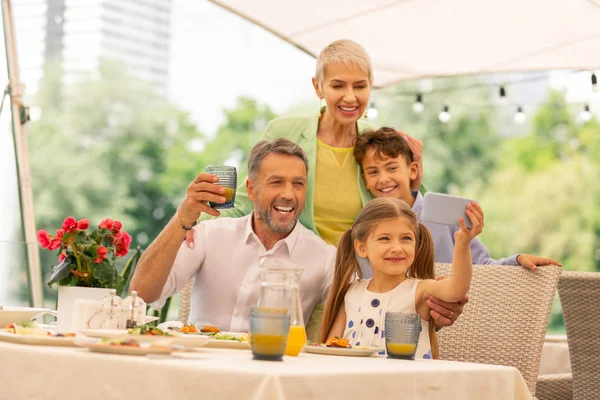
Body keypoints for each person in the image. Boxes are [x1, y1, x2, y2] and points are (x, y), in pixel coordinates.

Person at [185, 39, 462, 330]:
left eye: (359, 86)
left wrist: (414, 185)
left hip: (356, 282)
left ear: (371, 86)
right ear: (319, 87)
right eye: (338, 85)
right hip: (297, 272)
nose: (350, 97)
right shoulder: (284, 131)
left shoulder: (377, 141)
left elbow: (402, 215)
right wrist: (196, 227)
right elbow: (249, 197)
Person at [130, 138, 336, 333]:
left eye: (298, 184)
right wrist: (182, 218)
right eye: (276, 182)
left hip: (272, 368)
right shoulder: (211, 235)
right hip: (201, 365)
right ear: (251, 190)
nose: (289, 195)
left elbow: (355, 310)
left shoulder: (324, 258)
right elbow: (143, 293)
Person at [353, 127, 562, 276]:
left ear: (413, 170)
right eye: (373, 172)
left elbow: (481, 266)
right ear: (365, 181)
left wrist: (517, 261)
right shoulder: (365, 228)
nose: (383, 179)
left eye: (392, 168)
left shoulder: (445, 216)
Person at [319, 197, 483, 359]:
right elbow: (331, 350)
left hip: (409, 384)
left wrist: (462, 243)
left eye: (406, 238)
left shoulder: (420, 290)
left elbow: (457, 289)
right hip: (355, 383)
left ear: (416, 246)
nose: (397, 248)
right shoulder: (351, 292)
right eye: (384, 238)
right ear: (361, 248)